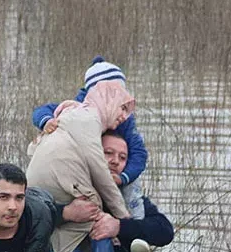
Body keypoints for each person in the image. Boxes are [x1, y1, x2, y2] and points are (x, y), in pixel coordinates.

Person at [26, 78, 136, 252]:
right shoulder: (88, 119)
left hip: (42, 190)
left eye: (122, 158)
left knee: (72, 235)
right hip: (58, 182)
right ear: (108, 100)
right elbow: (99, 171)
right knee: (97, 215)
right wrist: (123, 220)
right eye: (122, 108)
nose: (124, 117)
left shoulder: (72, 116)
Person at [32, 56, 148, 189]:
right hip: (85, 171)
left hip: (117, 176)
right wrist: (47, 121)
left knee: (131, 194)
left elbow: (138, 152)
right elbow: (41, 111)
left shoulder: (124, 119)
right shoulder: (76, 109)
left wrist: (124, 178)